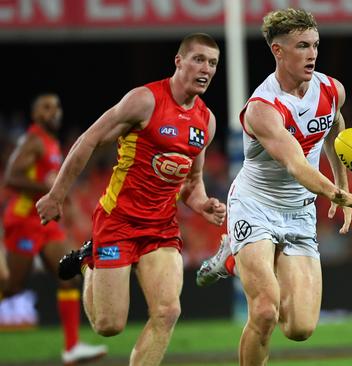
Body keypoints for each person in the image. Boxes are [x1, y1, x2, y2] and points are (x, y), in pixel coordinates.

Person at [196, 8, 352, 365]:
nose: (312, 53)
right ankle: (237, 251)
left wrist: (341, 181)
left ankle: (231, 258)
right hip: (254, 206)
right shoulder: (263, 108)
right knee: (265, 311)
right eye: (301, 46)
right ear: (278, 51)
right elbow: (296, 163)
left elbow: (334, 129)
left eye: (314, 45)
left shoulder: (331, 89)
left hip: (298, 212)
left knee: (299, 328)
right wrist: (338, 194)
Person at [36, 33, 227, 365]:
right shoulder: (145, 100)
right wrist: (56, 194)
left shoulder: (205, 121)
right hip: (118, 221)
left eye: (212, 63)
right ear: (179, 61)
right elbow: (89, 140)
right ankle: (89, 258)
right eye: (198, 59)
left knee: (168, 311)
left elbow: (192, 184)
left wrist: (203, 203)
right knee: (108, 326)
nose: (206, 69)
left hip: (162, 228)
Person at [1, 93, 107, 364]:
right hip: (24, 221)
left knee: (68, 276)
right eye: (47, 108)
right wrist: (50, 189)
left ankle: (71, 348)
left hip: (44, 223)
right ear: (36, 115)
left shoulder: (51, 143)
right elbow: (12, 177)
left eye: (57, 106)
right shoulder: (34, 140)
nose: (54, 111)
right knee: (12, 287)